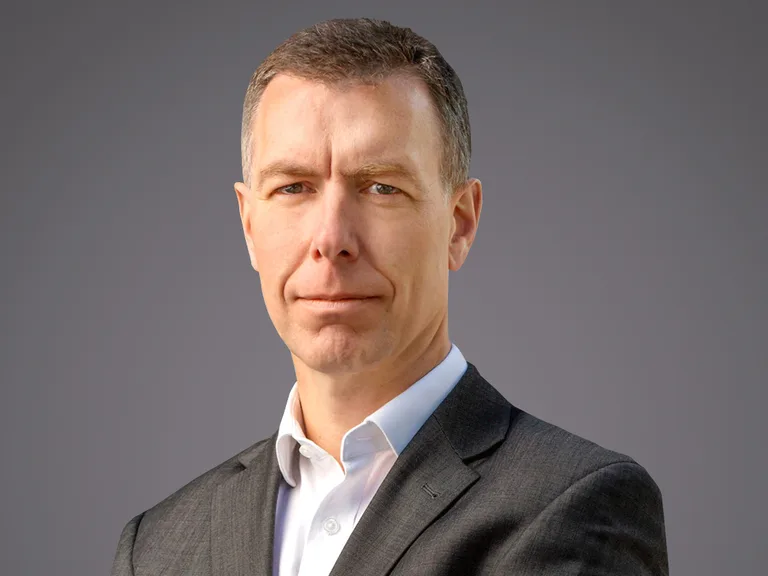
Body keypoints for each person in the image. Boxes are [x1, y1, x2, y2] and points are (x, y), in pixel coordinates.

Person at [110, 18, 668, 576]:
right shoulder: (159, 545)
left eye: (381, 187)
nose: (331, 240)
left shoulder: (573, 504)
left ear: (459, 224)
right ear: (249, 226)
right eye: (293, 188)